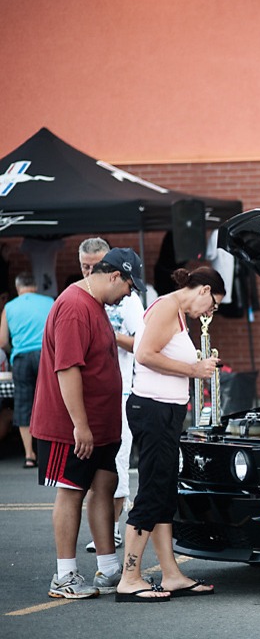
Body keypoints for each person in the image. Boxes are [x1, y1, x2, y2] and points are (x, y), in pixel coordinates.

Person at [30, 248, 144, 599]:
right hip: (73, 426)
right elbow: (67, 368)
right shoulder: (75, 307)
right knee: (72, 491)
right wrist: (80, 424)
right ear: (113, 276)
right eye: (128, 286)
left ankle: (109, 569)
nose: (128, 294)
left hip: (99, 423)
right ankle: (64, 575)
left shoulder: (93, 304)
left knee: (105, 484)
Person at [115, 266, 223, 602]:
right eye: (213, 305)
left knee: (163, 492)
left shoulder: (176, 312)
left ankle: (171, 574)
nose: (210, 313)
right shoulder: (166, 307)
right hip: (153, 410)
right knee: (152, 491)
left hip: (164, 412)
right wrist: (194, 369)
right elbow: (145, 354)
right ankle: (130, 577)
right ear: (203, 290)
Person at [78, 238, 145, 553]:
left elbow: (142, 343)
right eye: (84, 266)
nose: (90, 271)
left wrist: (108, 333)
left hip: (123, 390)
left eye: (95, 266)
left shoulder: (127, 298)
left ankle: (113, 530)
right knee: (92, 469)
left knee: (117, 462)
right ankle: (107, 528)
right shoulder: (80, 298)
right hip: (91, 392)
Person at [0, 272, 55, 468]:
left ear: (18, 287)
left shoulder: (9, 307)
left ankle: (29, 455)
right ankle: (47, 454)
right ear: (35, 287)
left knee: (23, 404)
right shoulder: (49, 301)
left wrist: (14, 349)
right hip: (46, 356)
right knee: (49, 402)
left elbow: (2, 341)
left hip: (21, 358)